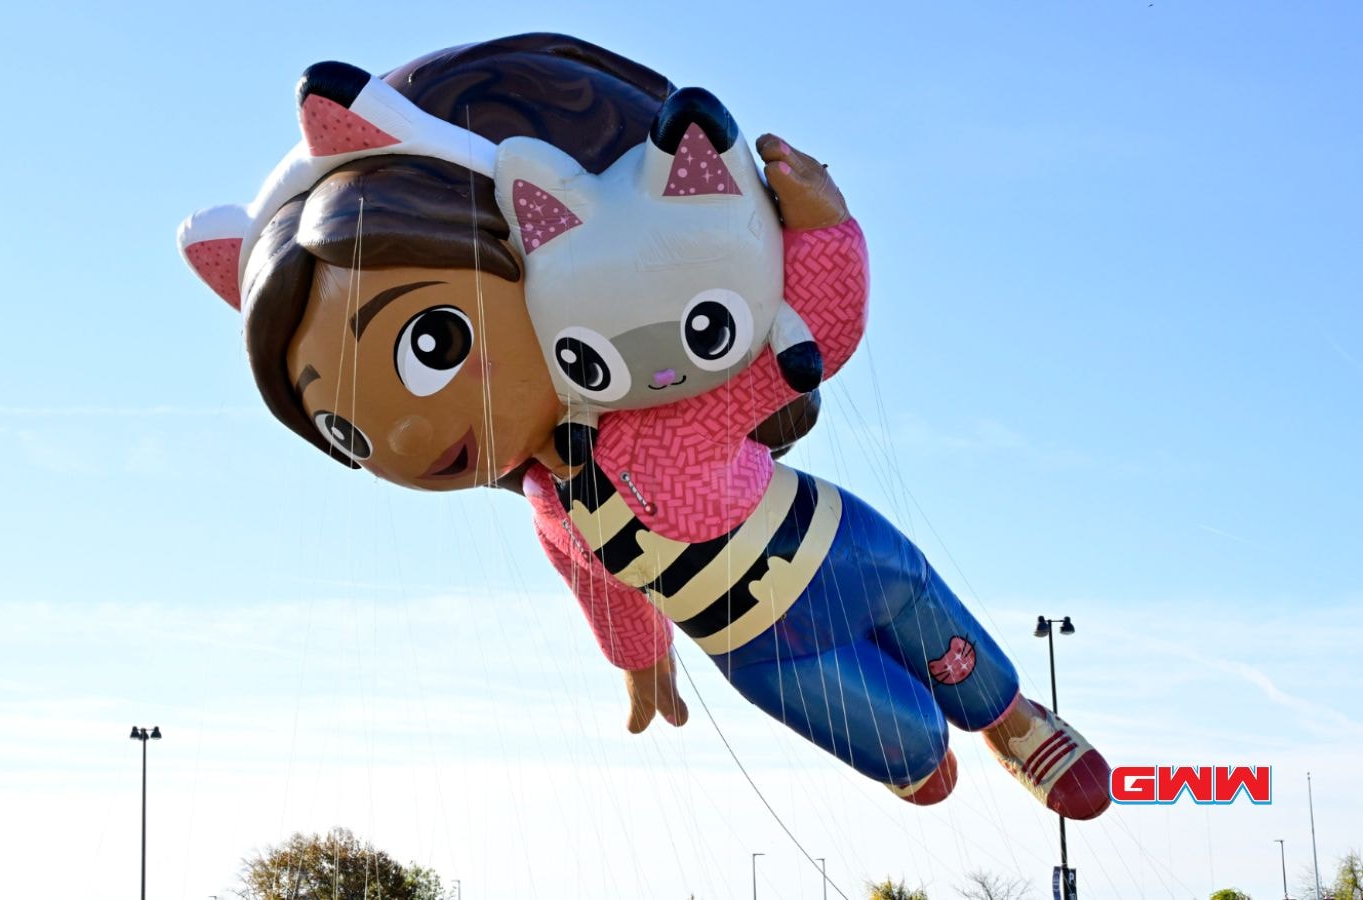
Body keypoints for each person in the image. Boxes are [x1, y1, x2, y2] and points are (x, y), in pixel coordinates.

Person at [180, 33, 1111, 819]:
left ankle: (1013, 719)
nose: (408, 444)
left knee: (954, 654)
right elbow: (609, 589)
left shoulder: (678, 407)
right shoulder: (554, 508)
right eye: (350, 433)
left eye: (435, 341)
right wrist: (642, 666)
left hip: (838, 551)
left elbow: (812, 336)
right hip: (751, 646)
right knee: (917, 766)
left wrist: (825, 231)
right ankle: (939, 748)